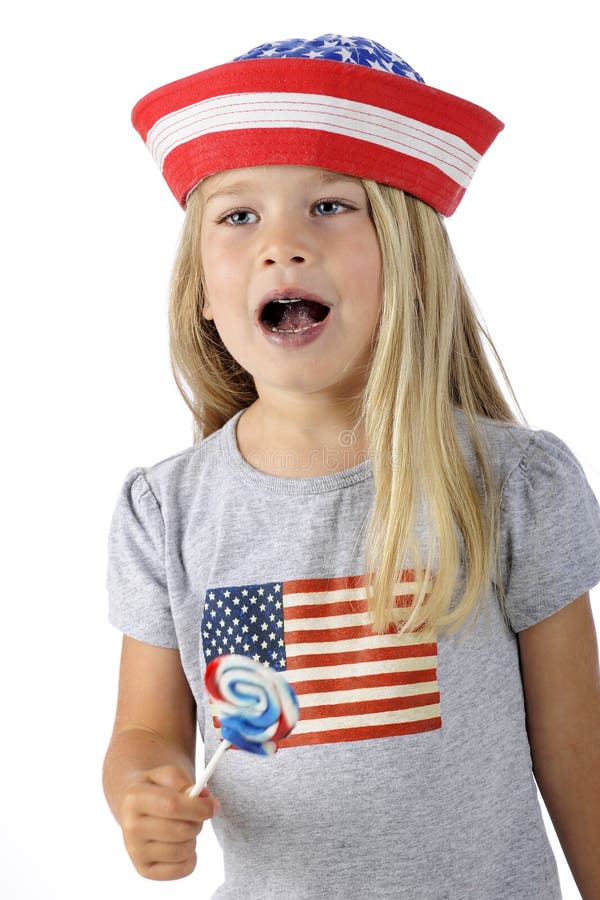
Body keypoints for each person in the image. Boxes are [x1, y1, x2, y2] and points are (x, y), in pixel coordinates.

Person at [102, 35, 600, 899]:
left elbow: (577, 747)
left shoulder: (512, 482)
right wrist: (139, 793)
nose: (282, 245)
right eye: (239, 214)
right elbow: (147, 730)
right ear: (202, 294)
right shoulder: (166, 510)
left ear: (409, 263)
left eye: (331, 206)